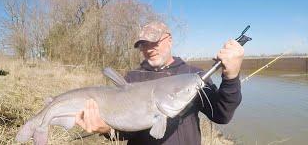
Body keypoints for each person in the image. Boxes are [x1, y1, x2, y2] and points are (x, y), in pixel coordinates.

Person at [75, 21, 244, 145]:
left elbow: (221, 115)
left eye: (154, 42)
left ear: (169, 40)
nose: (149, 49)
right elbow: (126, 132)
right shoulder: (133, 78)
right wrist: (107, 129)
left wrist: (231, 77)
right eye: (143, 45)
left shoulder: (193, 75)